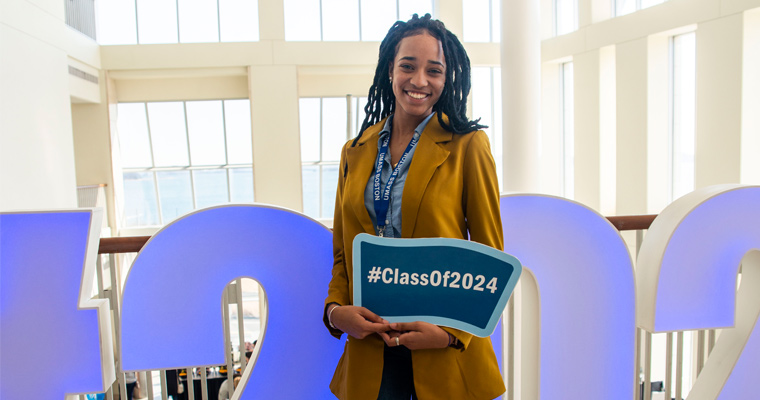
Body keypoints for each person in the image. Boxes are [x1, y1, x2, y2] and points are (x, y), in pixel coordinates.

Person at [323, 13, 505, 400]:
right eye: (408, 66)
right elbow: (343, 253)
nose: (419, 81)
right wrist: (336, 312)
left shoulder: (468, 146)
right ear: (390, 68)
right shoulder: (354, 152)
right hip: (371, 350)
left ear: (447, 79)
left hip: (441, 350)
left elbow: (490, 258)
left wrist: (451, 334)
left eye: (434, 71)